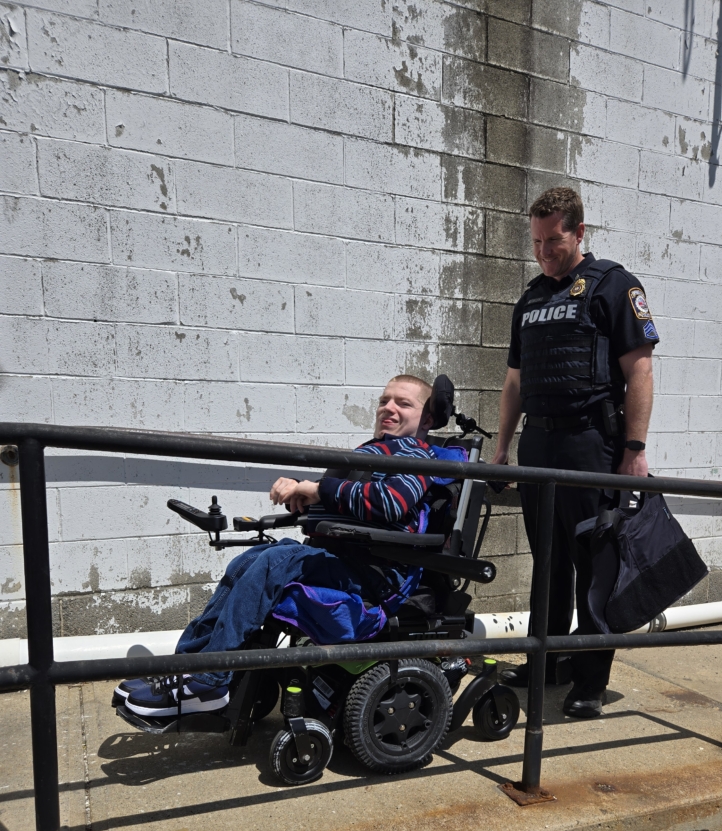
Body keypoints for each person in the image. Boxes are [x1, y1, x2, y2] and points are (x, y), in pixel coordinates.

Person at [119, 375, 466, 718]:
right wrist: (301, 495)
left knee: (276, 560)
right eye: (384, 400)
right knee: (249, 560)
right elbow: (342, 500)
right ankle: (188, 667)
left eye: (403, 403)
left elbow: (389, 503)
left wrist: (316, 489)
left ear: (428, 419)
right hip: (342, 557)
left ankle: (208, 682)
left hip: (376, 571)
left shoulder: (417, 456)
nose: (388, 408)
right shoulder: (374, 452)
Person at [492, 186, 657, 719]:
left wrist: (634, 450)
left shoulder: (614, 285)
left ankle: (589, 682)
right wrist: (502, 448)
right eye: (536, 242)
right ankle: (546, 662)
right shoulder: (531, 298)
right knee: (548, 564)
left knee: (594, 566)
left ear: (579, 232)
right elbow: (514, 382)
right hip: (539, 444)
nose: (543, 251)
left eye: (554, 241)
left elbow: (640, 371)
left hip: (591, 445)